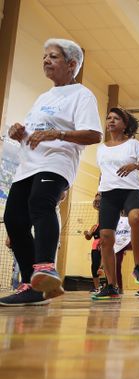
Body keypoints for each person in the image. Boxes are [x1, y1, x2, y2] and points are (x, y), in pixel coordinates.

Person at [0, 38, 102, 306]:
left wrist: (57, 133)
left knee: (40, 203)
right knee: (13, 219)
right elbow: (33, 130)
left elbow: (93, 134)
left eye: (53, 57)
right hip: (27, 166)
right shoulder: (44, 97)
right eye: (45, 56)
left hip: (56, 161)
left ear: (72, 65)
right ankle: (31, 284)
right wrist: (18, 132)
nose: (46, 60)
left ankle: (45, 267)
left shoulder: (82, 95)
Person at [94, 108, 139, 300]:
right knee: (105, 237)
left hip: (131, 190)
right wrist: (98, 193)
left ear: (124, 124)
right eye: (109, 118)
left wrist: (135, 165)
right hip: (108, 193)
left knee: (135, 218)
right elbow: (103, 172)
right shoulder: (101, 148)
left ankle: (138, 265)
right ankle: (111, 285)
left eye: (116, 118)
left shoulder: (134, 145)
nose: (111, 121)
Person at [84, 193, 102, 292]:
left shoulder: (107, 224)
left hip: (104, 247)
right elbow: (88, 237)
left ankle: (109, 285)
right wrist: (86, 233)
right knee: (94, 267)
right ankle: (97, 287)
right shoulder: (95, 226)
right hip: (95, 248)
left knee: (103, 267)